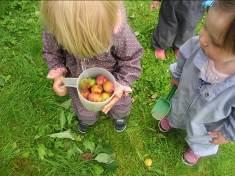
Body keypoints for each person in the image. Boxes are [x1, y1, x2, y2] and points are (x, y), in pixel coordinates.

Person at [40, 1, 143, 134]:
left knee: (119, 104)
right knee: (84, 107)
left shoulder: (117, 30)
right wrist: (58, 73)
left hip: (113, 79)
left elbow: (131, 59)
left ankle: (120, 117)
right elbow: (52, 52)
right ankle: (87, 120)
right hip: (78, 78)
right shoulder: (55, 28)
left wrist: (121, 83)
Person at [158, 0, 235, 166]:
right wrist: (177, 75)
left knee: (203, 137)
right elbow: (183, 57)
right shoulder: (197, 45)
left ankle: (197, 149)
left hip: (209, 120)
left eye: (215, 41)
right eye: (205, 26)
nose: (203, 37)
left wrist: (228, 133)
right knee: (177, 108)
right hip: (185, 93)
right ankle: (172, 120)